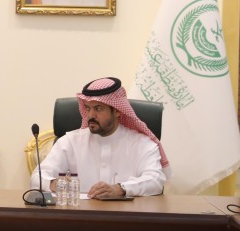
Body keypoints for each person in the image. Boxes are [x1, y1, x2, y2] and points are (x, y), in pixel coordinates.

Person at [30, 77, 171, 198]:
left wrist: (120, 189)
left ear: (117, 111)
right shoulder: (69, 142)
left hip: (126, 218)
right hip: (80, 217)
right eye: (87, 108)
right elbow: (37, 177)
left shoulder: (142, 144)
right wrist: (54, 184)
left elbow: (155, 181)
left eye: (98, 108)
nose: (91, 115)